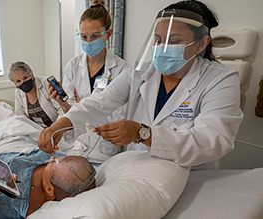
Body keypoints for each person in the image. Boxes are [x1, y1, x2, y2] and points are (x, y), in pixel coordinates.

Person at [39, 0, 244, 170]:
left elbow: (212, 141)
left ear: (201, 44)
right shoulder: (140, 72)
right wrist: (61, 124)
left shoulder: (220, 80)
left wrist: (143, 133)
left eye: (173, 41)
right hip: (136, 170)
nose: (162, 48)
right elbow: (98, 102)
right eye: (157, 40)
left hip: (189, 176)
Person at [49, 0, 131, 161]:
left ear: (108, 34)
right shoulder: (73, 66)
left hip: (104, 146)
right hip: (76, 143)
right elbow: (69, 109)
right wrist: (64, 104)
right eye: (83, 36)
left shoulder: (123, 70)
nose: (88, 41)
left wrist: (81, 105)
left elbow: (118, 117)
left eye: (94, 36)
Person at [0, 149, 96, 219]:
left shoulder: (22, 207)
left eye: (53, 163)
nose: (52, 159)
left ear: (49, 189)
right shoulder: (65, 167)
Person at [10, 61, 63, 128]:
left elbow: (62, 109)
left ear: (31, 74)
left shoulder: (46, 83)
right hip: (35, 129)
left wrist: (54, 127)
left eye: (25, 77)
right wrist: (33, 127)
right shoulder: (18, 92)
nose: (23, 82)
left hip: (56, 126)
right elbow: (20, 114)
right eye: (18, 81)